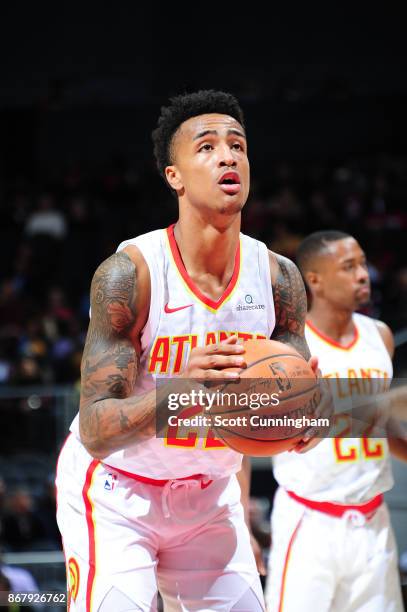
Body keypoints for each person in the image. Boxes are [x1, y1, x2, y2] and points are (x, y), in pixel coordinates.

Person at [55, 90, 327, 612]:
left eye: (238, 145)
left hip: (210, 496)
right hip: (118, 493)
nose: (228, 156)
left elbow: (288, 415)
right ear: (173, 175)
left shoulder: (278, 278)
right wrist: (182, 394)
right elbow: (95, 429)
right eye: (206, 147)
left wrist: (301, 417)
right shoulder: (130, 274)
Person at [265, 230, 406, 612]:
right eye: (349, 267)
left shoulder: (381, 337)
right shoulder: (287, 347)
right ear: (315, 280)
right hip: (311, 519)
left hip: (372, 520)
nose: (363, 274)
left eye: (362, 263)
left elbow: (381, 424)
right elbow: (254, 431)